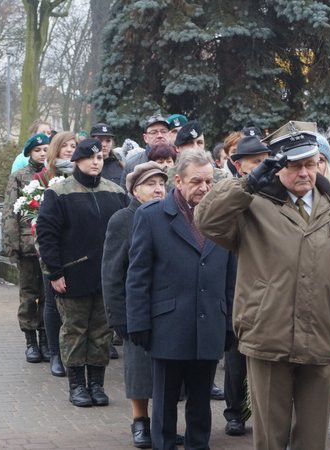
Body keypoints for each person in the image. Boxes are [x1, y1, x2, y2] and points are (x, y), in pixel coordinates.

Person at [195, 123, 330, 450]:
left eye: (312, 163)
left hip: (322, 335)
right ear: (279, 167)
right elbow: (206, 220)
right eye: (295, 165)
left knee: (312, 436)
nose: (305, 172)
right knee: (270, 437)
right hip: (268, 334)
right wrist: (247, 183)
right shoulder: (253, 203)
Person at [126, 151, 236, 450]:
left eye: (209, 181)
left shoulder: (222, 218)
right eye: (197, 181)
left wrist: (229, 322)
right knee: (165, 400)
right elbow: (138, 275)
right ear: (178, 181)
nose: (204, 187)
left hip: (210, 322)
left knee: (201, 401)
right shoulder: (151, 216)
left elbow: (230, 276)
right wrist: (138, 322)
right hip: (168, 325)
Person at [36, 138, 128, 408]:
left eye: (99, 158)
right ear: (77, 160)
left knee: (101, 332)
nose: (96, 162)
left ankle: (96, 384)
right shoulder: (59, 192)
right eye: (90, 158)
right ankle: (77, 385)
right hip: (73, 275)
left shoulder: (115, 192)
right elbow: (47, 234)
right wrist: (54, 272)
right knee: (75, 331)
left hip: (106, 277)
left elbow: (124, 233)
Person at [102, 162, 179, 448]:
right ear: (134, 190)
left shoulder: (174, 215)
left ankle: (163, 424)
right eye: (150, 184)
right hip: (137, 308)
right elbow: (111, 271)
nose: (158, 189)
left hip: (170, 307)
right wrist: (118, 316)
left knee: (168, 371)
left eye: (162, 183)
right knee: (139, 369)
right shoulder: (124, 219)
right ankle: (140, 422)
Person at [216, 135, 271, 437]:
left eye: (267, 160)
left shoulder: (277, 192)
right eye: (257, 162)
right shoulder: (230, 191)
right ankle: (235, 412)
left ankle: (266, 413)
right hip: (237, 283)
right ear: (238, 166)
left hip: (271, 285)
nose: (264, 167)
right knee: (236, 356)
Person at [3, 133, 51, 364]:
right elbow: (11, 211)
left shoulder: (55, 175)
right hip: (28, 245)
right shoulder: (20, 177)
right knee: (29, 295)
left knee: (47, 295)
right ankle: (31, 341)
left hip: (49, 246)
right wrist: (12, 244)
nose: (42, 154)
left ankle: (45, 339)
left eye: (46, 149)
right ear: (30, 153)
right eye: (38, 150)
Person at [34, 131, 78, 377]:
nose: (70, 150)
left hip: (76, 249)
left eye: (74, 146)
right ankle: (55, 354)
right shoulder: (43, 177)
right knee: (51, 301)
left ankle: (73, 351)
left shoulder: (84, 175)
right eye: (66, 146)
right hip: (51, 248)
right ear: (56, 148)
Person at [120, 114, 171, 188]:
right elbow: (124, 196)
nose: (160, 135)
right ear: (145, 138)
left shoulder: (181, 161)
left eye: (163, 131)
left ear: (169, 135)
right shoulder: (132, 164)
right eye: (154, 132)